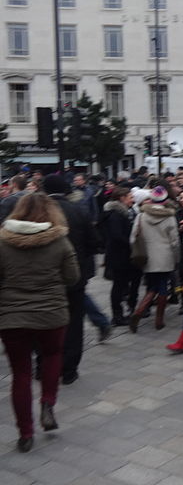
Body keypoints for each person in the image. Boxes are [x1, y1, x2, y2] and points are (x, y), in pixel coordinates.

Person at [0, 193, 79, 452]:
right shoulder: (60, 241)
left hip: (13, 316)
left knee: (20, 373)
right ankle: (48, 402)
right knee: (52, 355)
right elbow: (72, 278)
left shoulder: (2, 242)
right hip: (51, 312)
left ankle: (25, 433)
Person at [42, 174, 96, 385]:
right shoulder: (78, 211)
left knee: (45, 321)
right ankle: (69, 368)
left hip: (46, 278)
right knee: (74, 322)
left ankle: (43, 365)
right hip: (75, 276)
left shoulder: (39, 211)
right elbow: (94, 242)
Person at [128, 186, 179, 332]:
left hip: (147, 256)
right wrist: (177, 258)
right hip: (165, 255)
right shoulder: (170, 217)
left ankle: (139, 311)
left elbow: (133, 238)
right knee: (162, 285)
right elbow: (174, 241)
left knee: (152, 285)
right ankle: (159, 319)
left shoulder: (141, 216)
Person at [98, 186, 141, 326]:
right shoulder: (115, 215)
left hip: (121, 255)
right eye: (130, 197)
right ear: (122, 198)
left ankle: (121, 313)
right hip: (119, 256)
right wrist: (131, 242)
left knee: (121, 285)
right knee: (119, 286)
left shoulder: (123, 212)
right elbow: (117, 236)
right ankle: (117, 316)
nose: (132, 200)